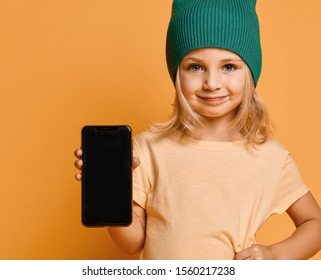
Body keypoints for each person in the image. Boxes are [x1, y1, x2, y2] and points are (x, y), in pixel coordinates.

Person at [75, 0, 321, 259]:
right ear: (176, 73)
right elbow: (133, 243)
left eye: (229, 67)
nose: (212, 83)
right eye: (195, 67)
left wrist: (273, 255)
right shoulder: (147, 149)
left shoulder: (271, 157)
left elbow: (314, 224)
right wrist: (112, 198)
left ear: (249, 73)